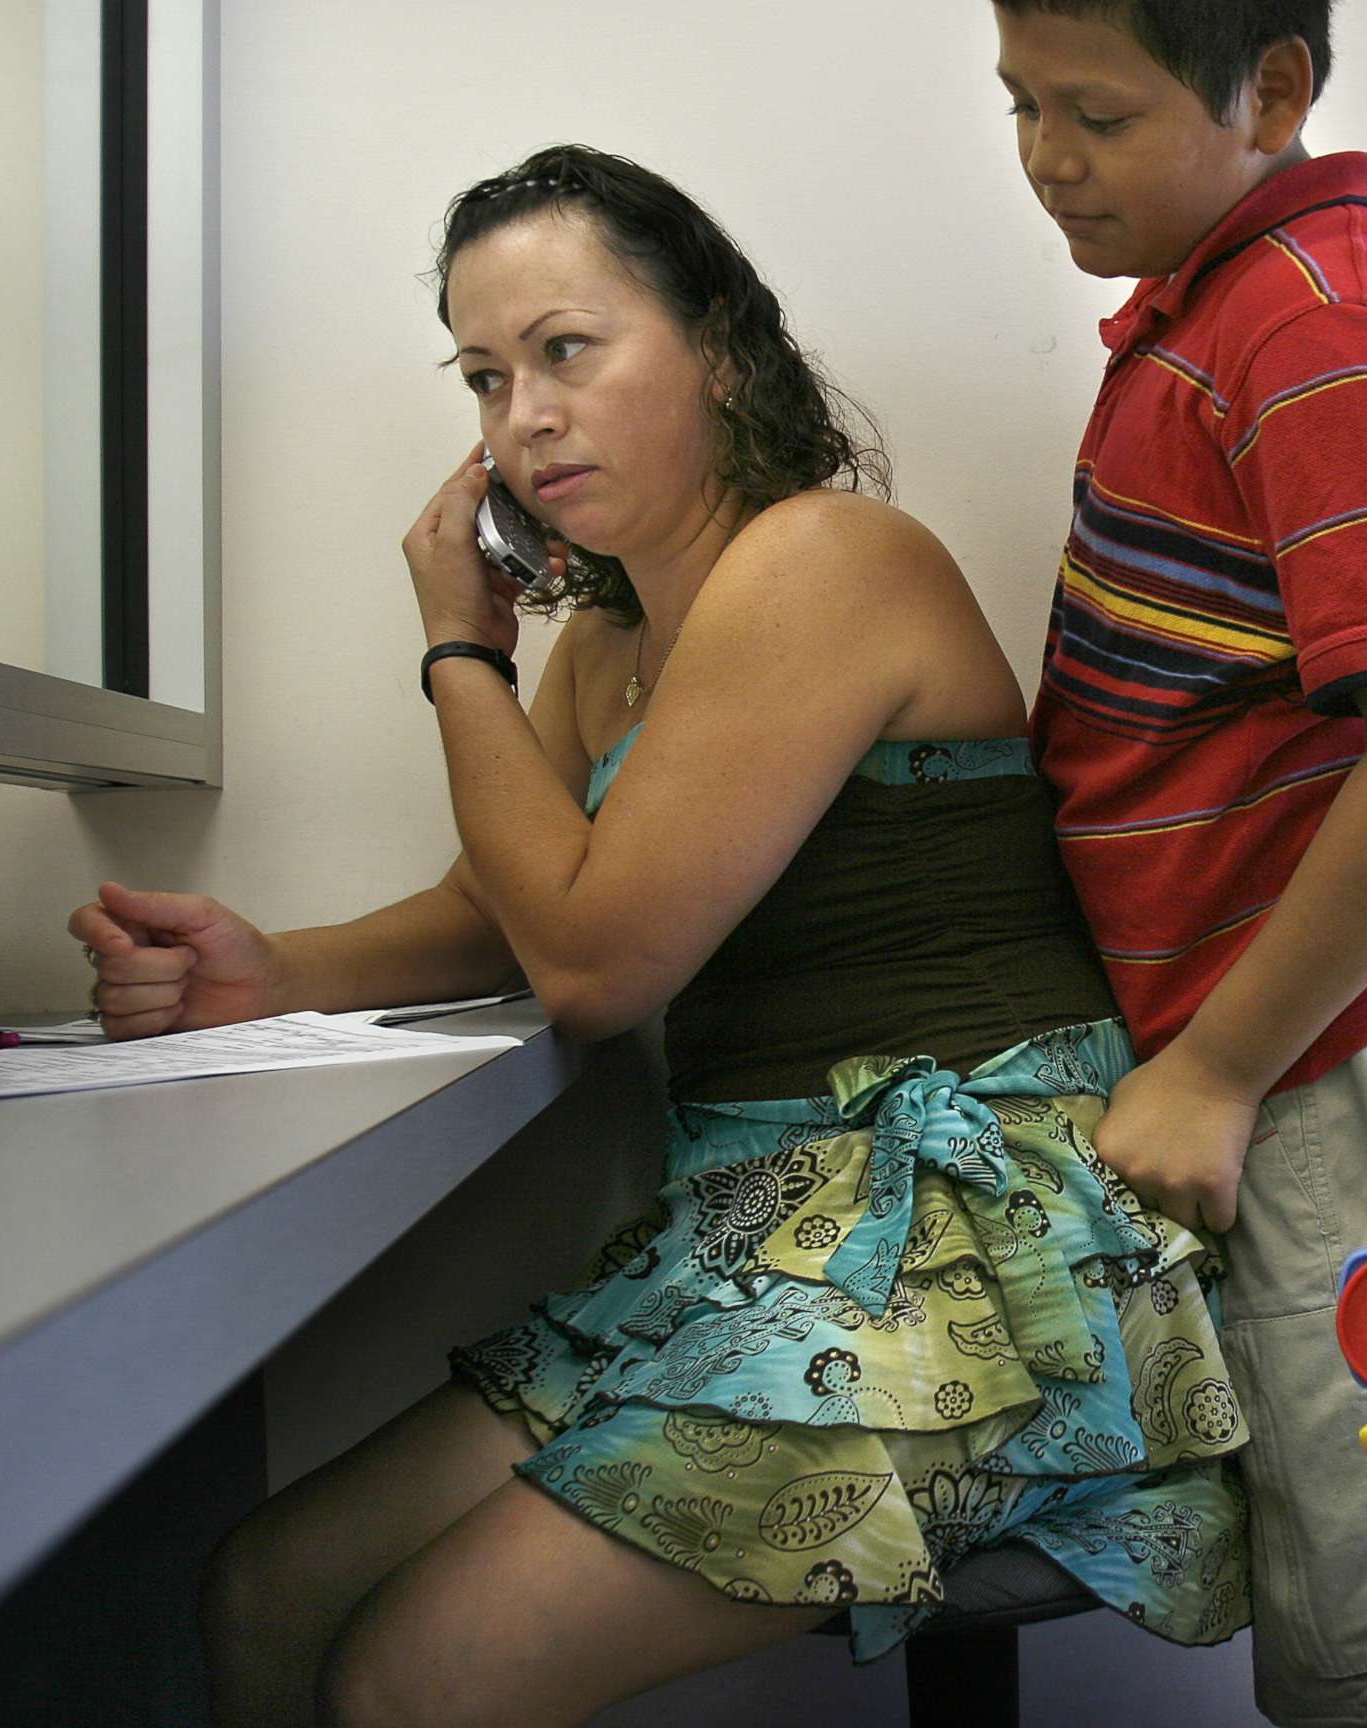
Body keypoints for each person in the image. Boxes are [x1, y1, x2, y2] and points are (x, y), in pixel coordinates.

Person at [69, 144, 1247, 1727]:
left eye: (566, 351)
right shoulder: (614, 640)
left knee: (413, 1686)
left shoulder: (827, 560)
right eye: (485, 379)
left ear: (721, 348)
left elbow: (595, 968)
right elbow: (505, 908)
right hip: (752, 1234)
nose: (523, 419)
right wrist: (274, 971)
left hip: (964, 1239)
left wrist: (458, 650)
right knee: (267, 1592)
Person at [989, 3, 1367, 1721]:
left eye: (1093, 110)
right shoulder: (1225, 305)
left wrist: (1224, 1063)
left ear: (1279, 91)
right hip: (1298, 1032)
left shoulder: (1316, 326)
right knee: (1349, 1546)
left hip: (1346, 1035)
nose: (1043, 155)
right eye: (1017, 103)